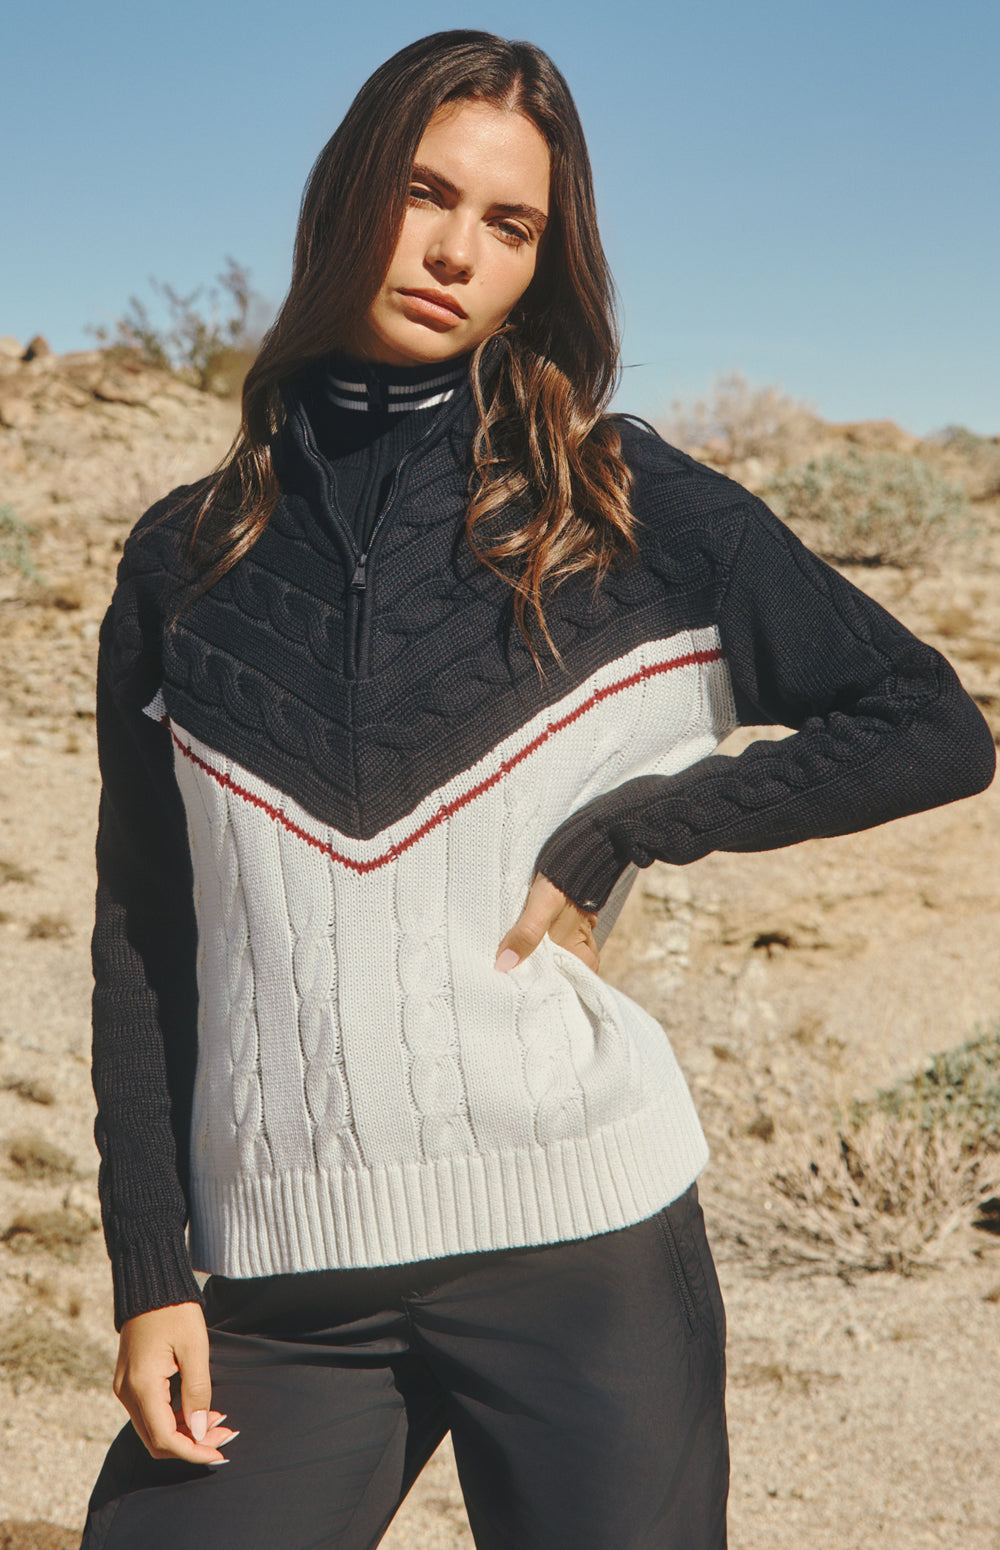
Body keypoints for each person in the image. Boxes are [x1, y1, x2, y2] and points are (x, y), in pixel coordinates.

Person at [79, 29, 994, 1550]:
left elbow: (930, 722)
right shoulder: (188, 558)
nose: (456, 251)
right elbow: (141, 932)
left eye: (509, 225)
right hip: (287, 1280)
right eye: (425, 193)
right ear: (347, 193)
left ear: (540, 266)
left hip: (584, 1240)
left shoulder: (618, 503)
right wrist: (150, 1269)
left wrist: (639, 825)